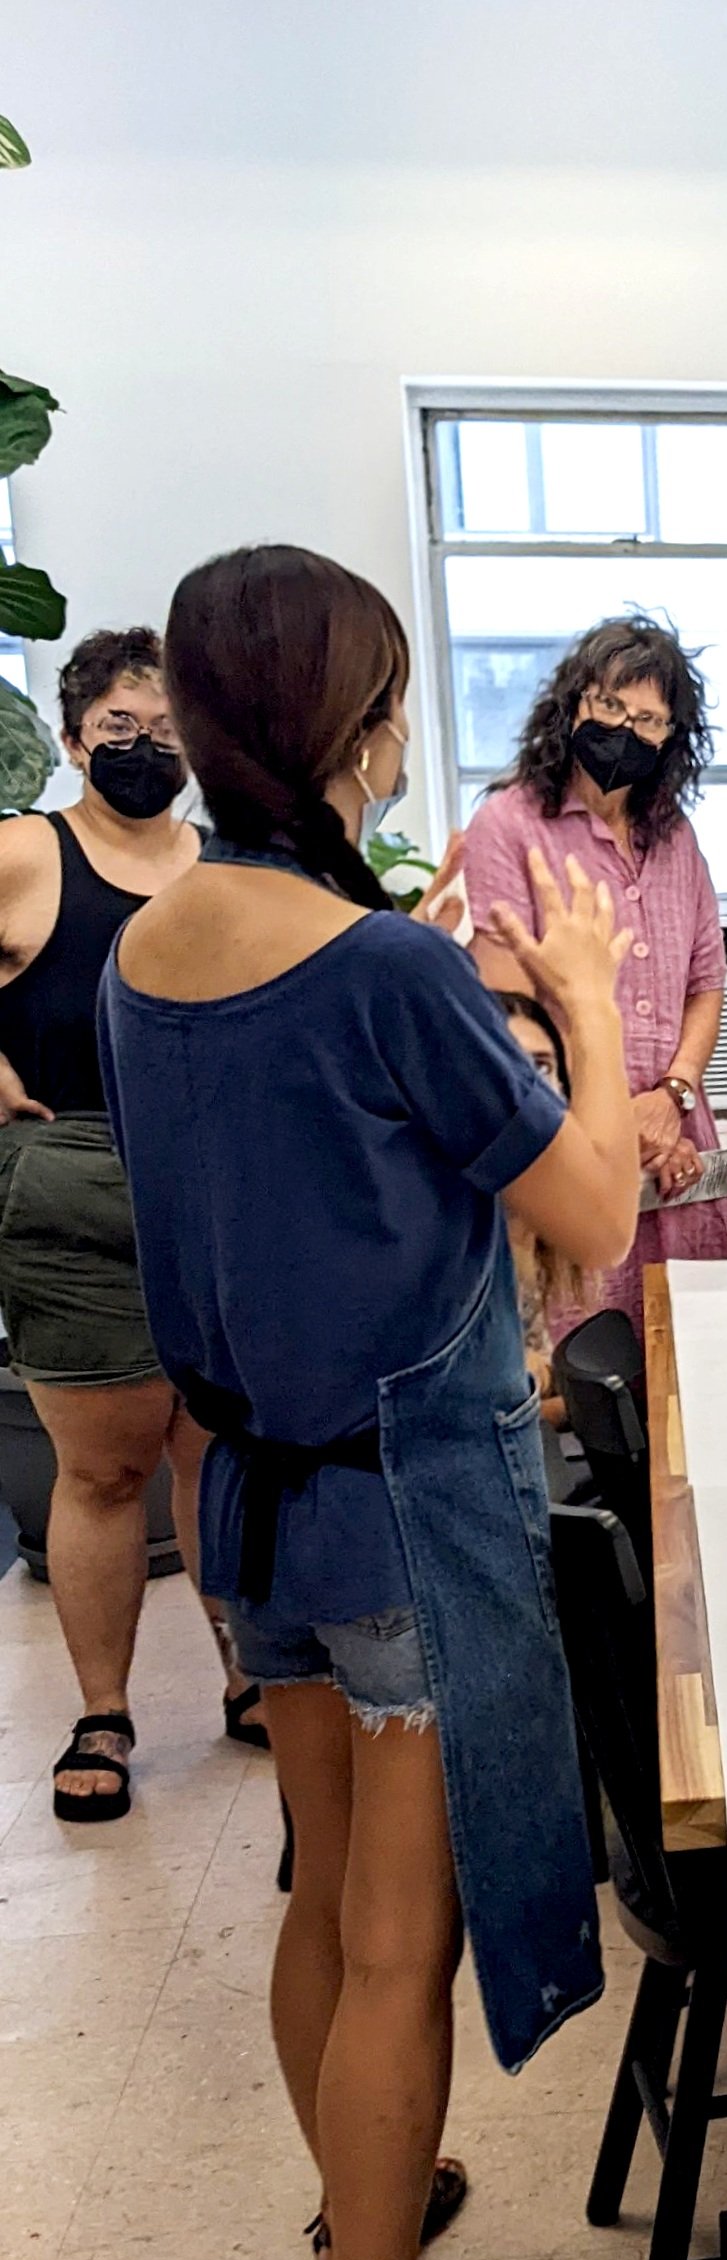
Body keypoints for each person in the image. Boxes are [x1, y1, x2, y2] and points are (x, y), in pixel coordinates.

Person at [99, 543, 641, 2260]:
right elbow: (592, 1213)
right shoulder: (395, 969)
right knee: (407, 1932)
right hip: (405, 1500)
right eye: (388, 700)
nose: (404, 734)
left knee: (320, 1893)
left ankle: (364, 2211)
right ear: (342, 723)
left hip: (252, 1503)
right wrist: (576, 998)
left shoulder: (150, 943)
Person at [0, 624, 264, 1820]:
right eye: (119, 726)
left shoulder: (227, 864)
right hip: (73, 1185)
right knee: (103, 1471)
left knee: (218, 1457)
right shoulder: (24, 852)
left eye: (164, 729)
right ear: (70, 739)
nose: (144, 747)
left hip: (217, 1186)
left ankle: (249, 1673)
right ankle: (102, 1712)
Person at [463, 614, 727, 1330]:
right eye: (609, 706)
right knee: (584, 1370)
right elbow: (507, 1007)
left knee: (691, 1363)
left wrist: (671, 1096)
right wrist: (621, 1112)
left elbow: (706, 982)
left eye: (648, 719)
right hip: (569, 1134)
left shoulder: (675, 836)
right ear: (573, 703)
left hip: (680, 1141)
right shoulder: (509, 824)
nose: (624, 729)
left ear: (672, 738)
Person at [494, 990, 582, 1425]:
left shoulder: (537, 1209)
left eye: (541, 1066)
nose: (526, 1086)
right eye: (504, 1065)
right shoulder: (454, 1226)